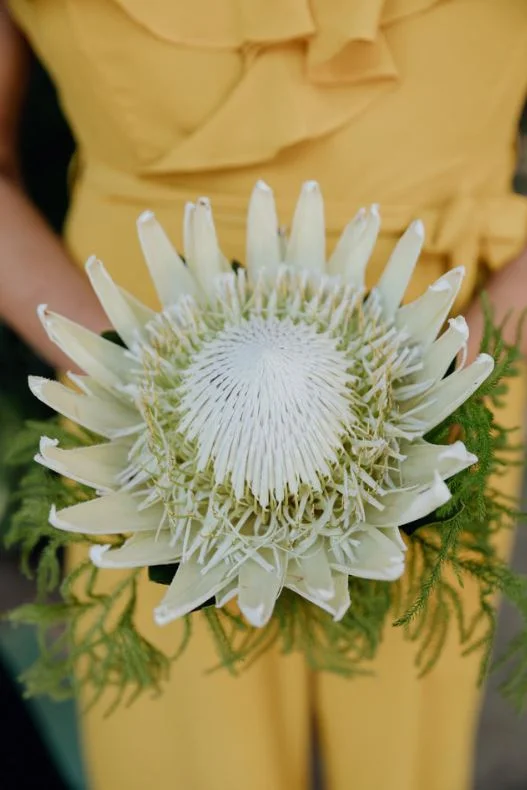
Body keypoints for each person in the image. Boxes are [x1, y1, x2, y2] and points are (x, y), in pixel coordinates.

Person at [1, 2, 526, 789]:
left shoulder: (453, 369)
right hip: (136, 368)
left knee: (402, 740)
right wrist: (112, 367)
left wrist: (457, 369)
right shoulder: (127, 374)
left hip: (451, 350)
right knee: (186, 745)